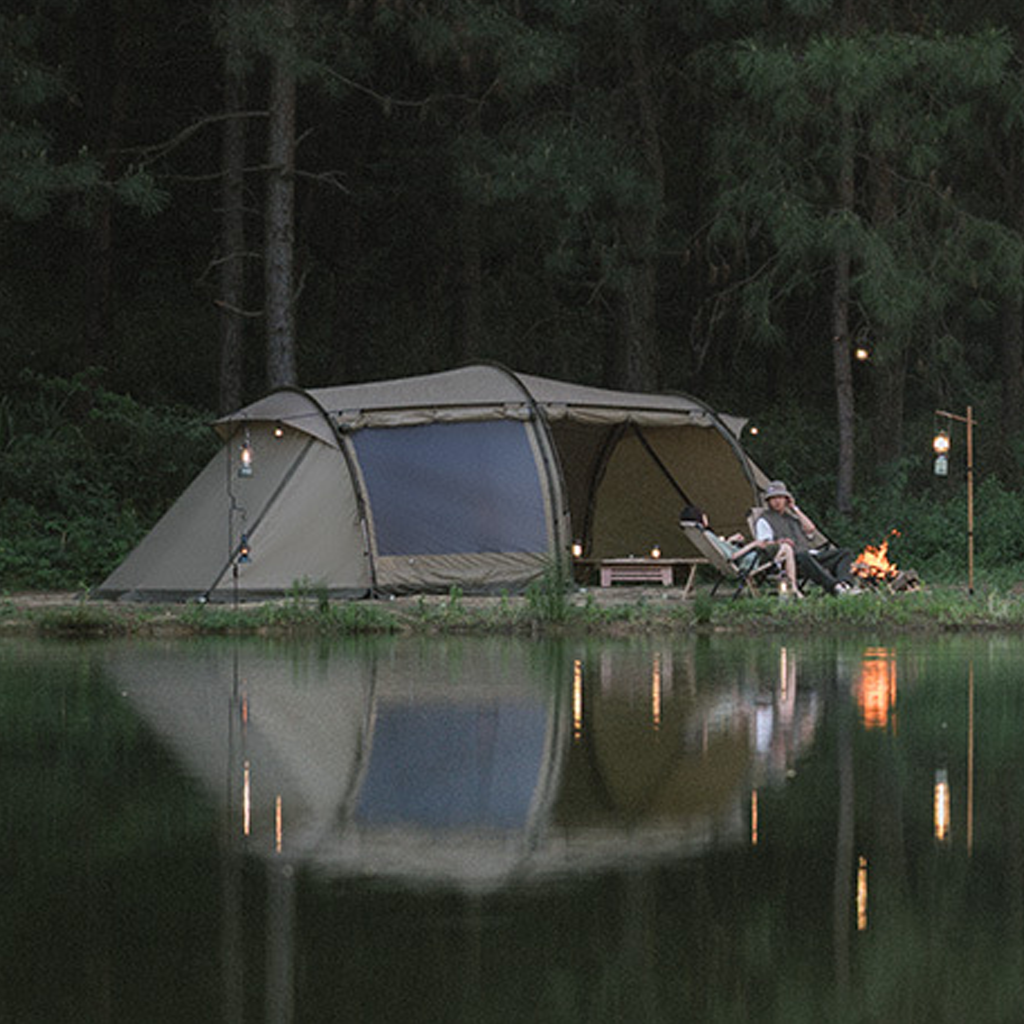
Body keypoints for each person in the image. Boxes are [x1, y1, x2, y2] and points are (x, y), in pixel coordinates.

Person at [753, 481, 860, 596]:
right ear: (768, 501)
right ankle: (835, 587)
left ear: (786, 499)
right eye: (773, 498)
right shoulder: (764, 520)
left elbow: (810, 529)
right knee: (803, 556)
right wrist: (779, 542)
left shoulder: (792, 518)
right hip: (790, 561)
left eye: (780, 497)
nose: (777, 501)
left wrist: (794, 508)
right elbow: (764, 544)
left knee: (845, 553)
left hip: (810, 557)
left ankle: (845, 585)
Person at [679, 505, 803, 597]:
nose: (706, 516)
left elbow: (721, 551)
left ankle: (780, 572)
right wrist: (753, 544)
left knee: (778, 547)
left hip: (743, 559)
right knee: (786, 547)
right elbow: (732, 556)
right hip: (748, 561)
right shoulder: (708, 535)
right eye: (703, 514)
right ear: (699, 518)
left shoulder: (704, 535)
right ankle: (794, 588)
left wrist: (730, 540)